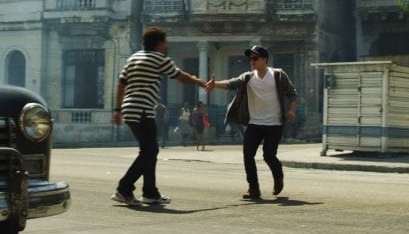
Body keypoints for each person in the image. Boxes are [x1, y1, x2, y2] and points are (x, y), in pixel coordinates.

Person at [111, 27, 207, 206]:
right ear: (159, 43)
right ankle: (124, 188)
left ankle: (150, 192)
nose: (166, 45)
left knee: (149, 151)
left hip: (129, 109)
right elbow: (180, 77)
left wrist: (117, 110)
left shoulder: (133, 58)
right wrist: (199, 82)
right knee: (150, 151)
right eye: (164, 42)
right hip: (142, 110)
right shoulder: (159, 58)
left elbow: (121, 85)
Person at [205, 45, 298, 200]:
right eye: (250, 59)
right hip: (254, 123)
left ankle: (278, 176)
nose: (252, 61)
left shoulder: (278, 75)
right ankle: (253, 189)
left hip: (274, 123)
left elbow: (292, 94)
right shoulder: (248, 77)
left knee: (269, 155)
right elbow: (231, 83)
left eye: (255, 58)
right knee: (248, 155)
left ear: (265, 60)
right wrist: (215, 85)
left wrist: (292, 110)